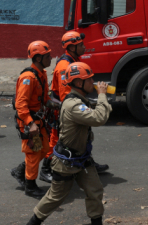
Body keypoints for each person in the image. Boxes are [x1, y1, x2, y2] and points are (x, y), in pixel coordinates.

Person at [26, 62, 111, 225]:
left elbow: (96, 112)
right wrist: (102, 95)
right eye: (89, 79)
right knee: (55, 197)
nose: (93, 82)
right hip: (67, 161)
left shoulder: (80, 99)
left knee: (95, 190)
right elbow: (99, 118)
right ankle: (32, 223)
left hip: (82, 158)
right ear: (79, 83)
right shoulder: (74, 105)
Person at [40, 31, 109, 183]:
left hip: (68, 107)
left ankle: (87, 162)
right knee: (57, 141)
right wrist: (81, 110)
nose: (84, 47)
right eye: (81, 45)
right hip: (63, 111)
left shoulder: (73, 61)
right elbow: (68, 96)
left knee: (83, 136)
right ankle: (45, 170)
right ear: (71, 48)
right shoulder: (65, 66)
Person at [11, 41, 52, 198]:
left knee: (45, 148)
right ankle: (31, 186)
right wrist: (30, 123)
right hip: (30, 122)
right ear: (38, 58)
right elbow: (20, 104)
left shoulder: (41, 74)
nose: (51, 58)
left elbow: (45, 98)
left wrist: (58, 105)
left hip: (38, 120)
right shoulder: (28, 77)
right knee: (33, 153)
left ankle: (20, 170)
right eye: (47, 56)